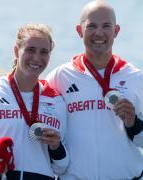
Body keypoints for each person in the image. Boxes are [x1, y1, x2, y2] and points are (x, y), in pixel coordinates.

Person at [46, 1, 143, 179]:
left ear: (116, 31)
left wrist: (133, 123)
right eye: (91, 26)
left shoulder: (136, 78)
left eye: (106, 26)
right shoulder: (59, 78)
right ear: (79, 30)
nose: (99, 33)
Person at [0, 23, 69, 180]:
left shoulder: (56, 101)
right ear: (16, 51)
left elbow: (62, 167)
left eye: (44, 52)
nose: (37, 58)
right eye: (30, 50)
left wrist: (56, 147)